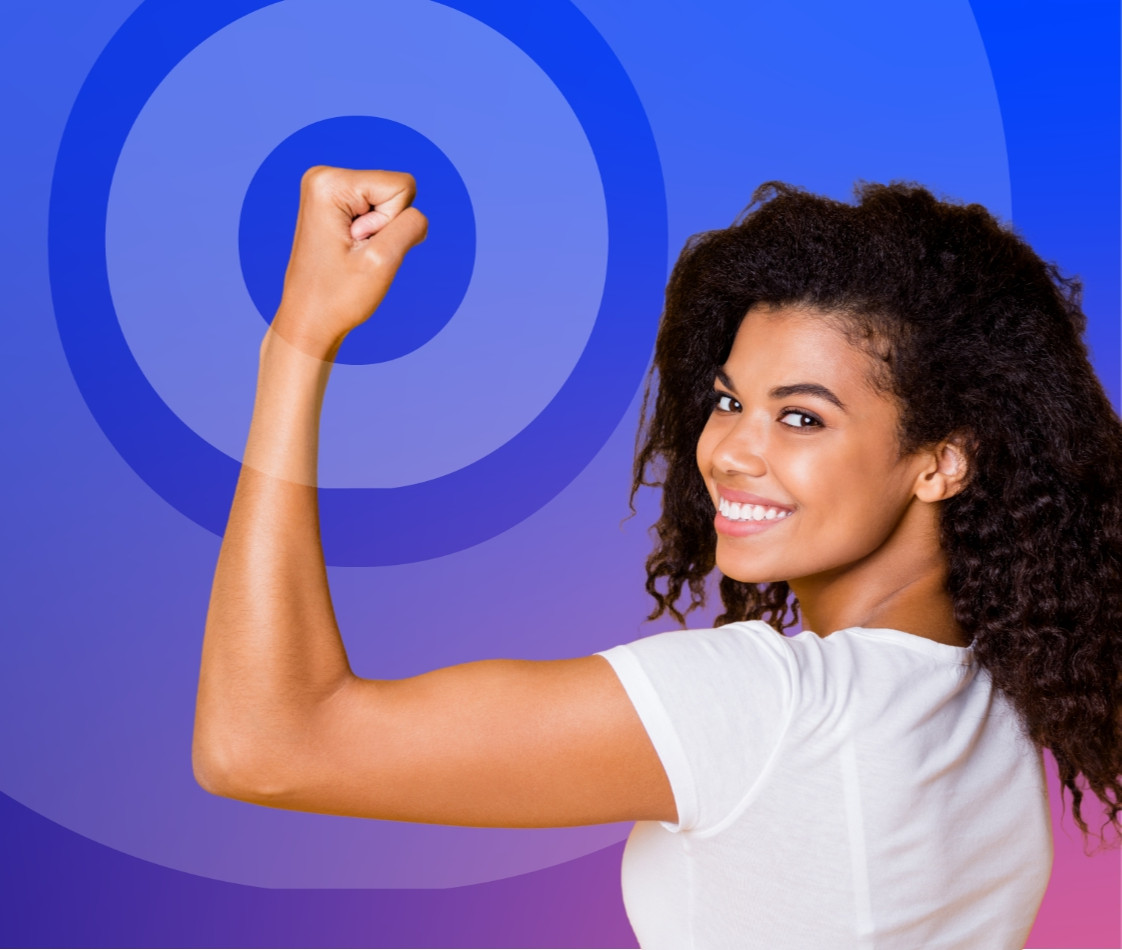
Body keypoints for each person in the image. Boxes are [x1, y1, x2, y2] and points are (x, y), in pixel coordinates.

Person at [193, 167, 1122, 948]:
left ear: (941, 462)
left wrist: (299, 339)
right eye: (728, 401)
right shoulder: (997, 696)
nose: (728, 451)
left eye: (801, 417)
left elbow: (265, 745)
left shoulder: (772, 706)